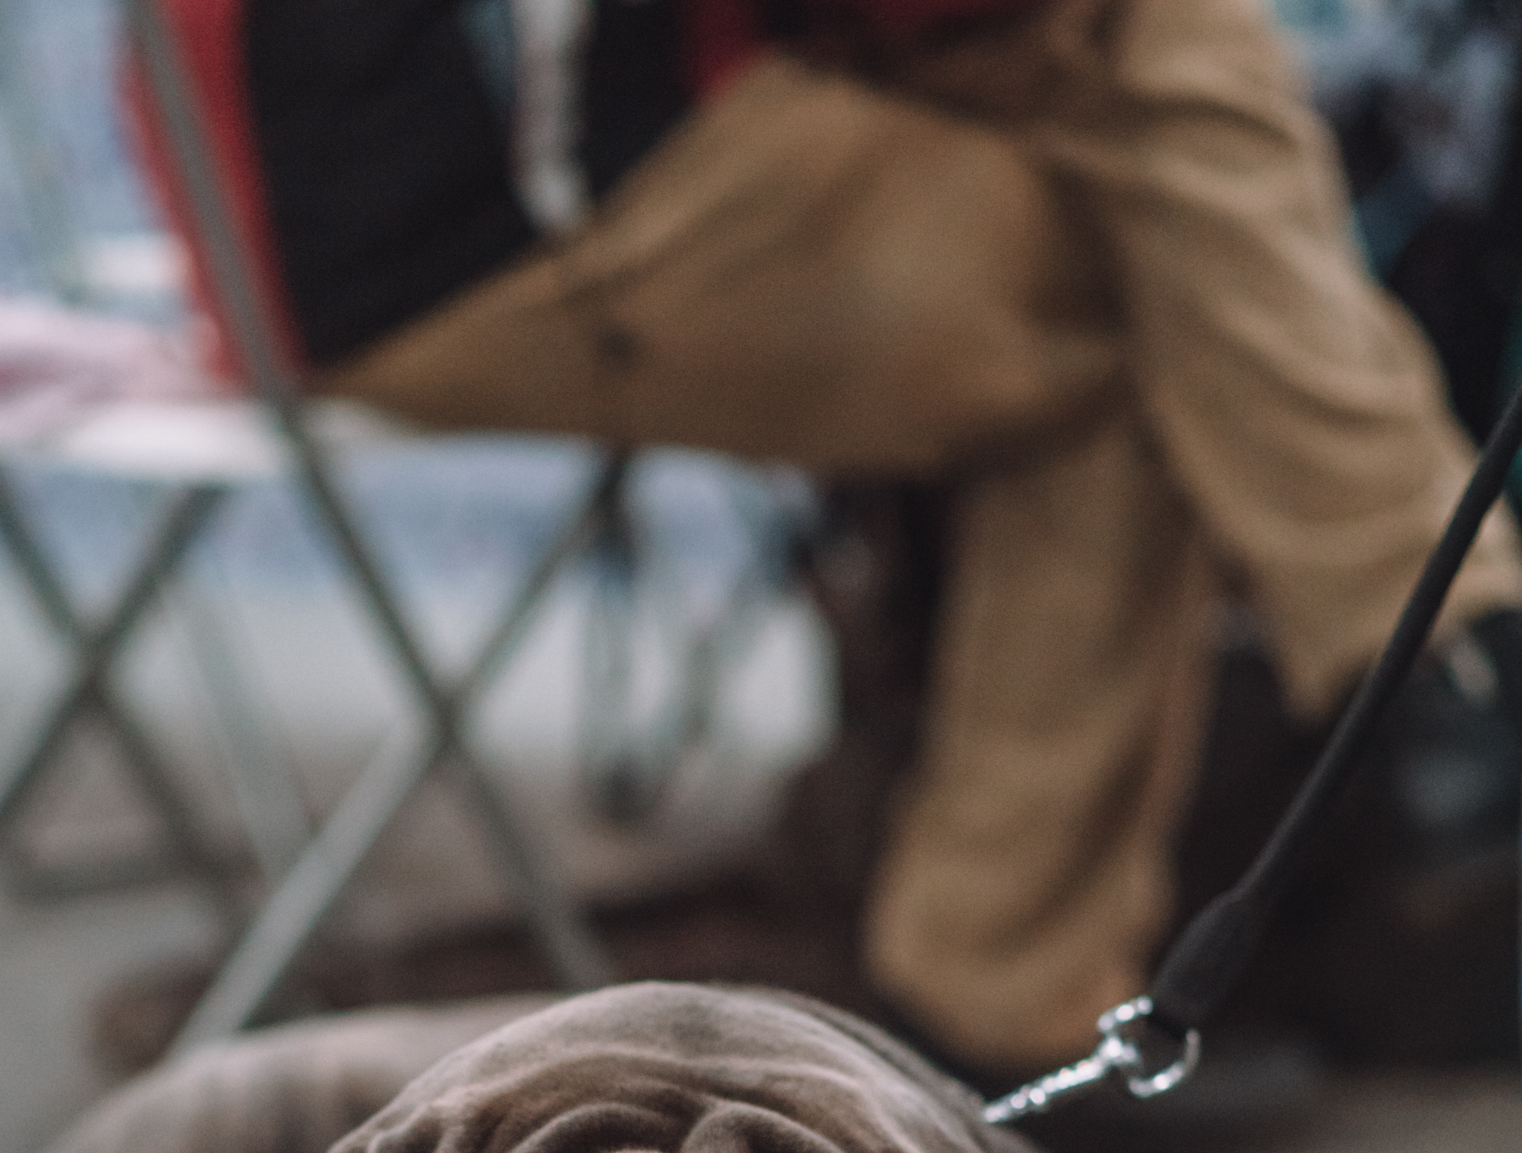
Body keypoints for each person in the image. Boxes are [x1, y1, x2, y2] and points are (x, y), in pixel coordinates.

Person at [129, 0, 1522, 1089]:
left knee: (1155, 95)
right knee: (1152, 260)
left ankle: (1444, 660)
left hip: (383, 172)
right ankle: (1432, 668)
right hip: (448, 206)